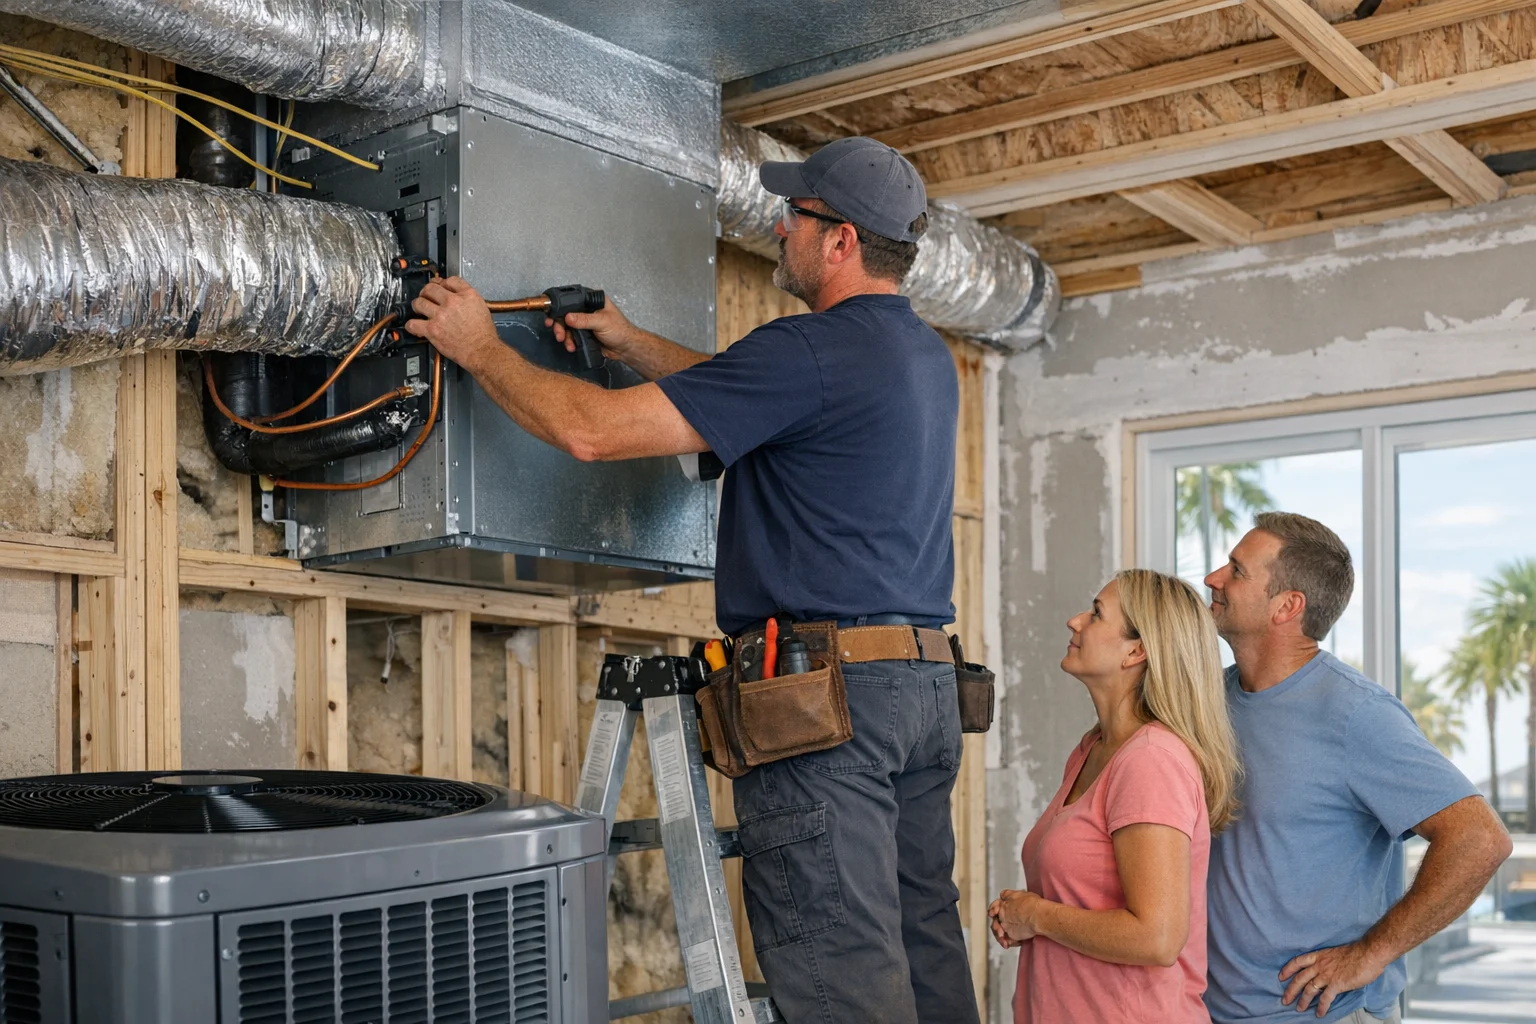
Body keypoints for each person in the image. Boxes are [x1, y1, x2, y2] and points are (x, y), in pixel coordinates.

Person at [404, 137, 977, 1024]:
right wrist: (631, 345)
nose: (781, 227)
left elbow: (590, 434)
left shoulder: (811, 348)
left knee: (842, 984)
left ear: (842, 242)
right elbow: (752, 401)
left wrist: (479, 348)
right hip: (922, 691)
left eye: (800, 215)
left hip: (830, 707)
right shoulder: (919, 356)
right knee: (923, 956)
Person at [1203, 512, 1512, 1024]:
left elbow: (1481, 839)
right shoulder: (1213, 697)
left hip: (1321, 1015)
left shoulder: (1356, 714)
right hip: (1216, 1011)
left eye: (1236, 570)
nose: (1214, 578)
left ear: (1287, 605)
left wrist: (1371, 954)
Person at [990, 569, 1241, 1024]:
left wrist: (1037, 916)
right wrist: (1022, 918)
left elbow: (1158, 937)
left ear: (1137, 651)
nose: (1074, 621)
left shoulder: (1151, 760)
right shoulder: (1093, 748)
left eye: (1096, 614)